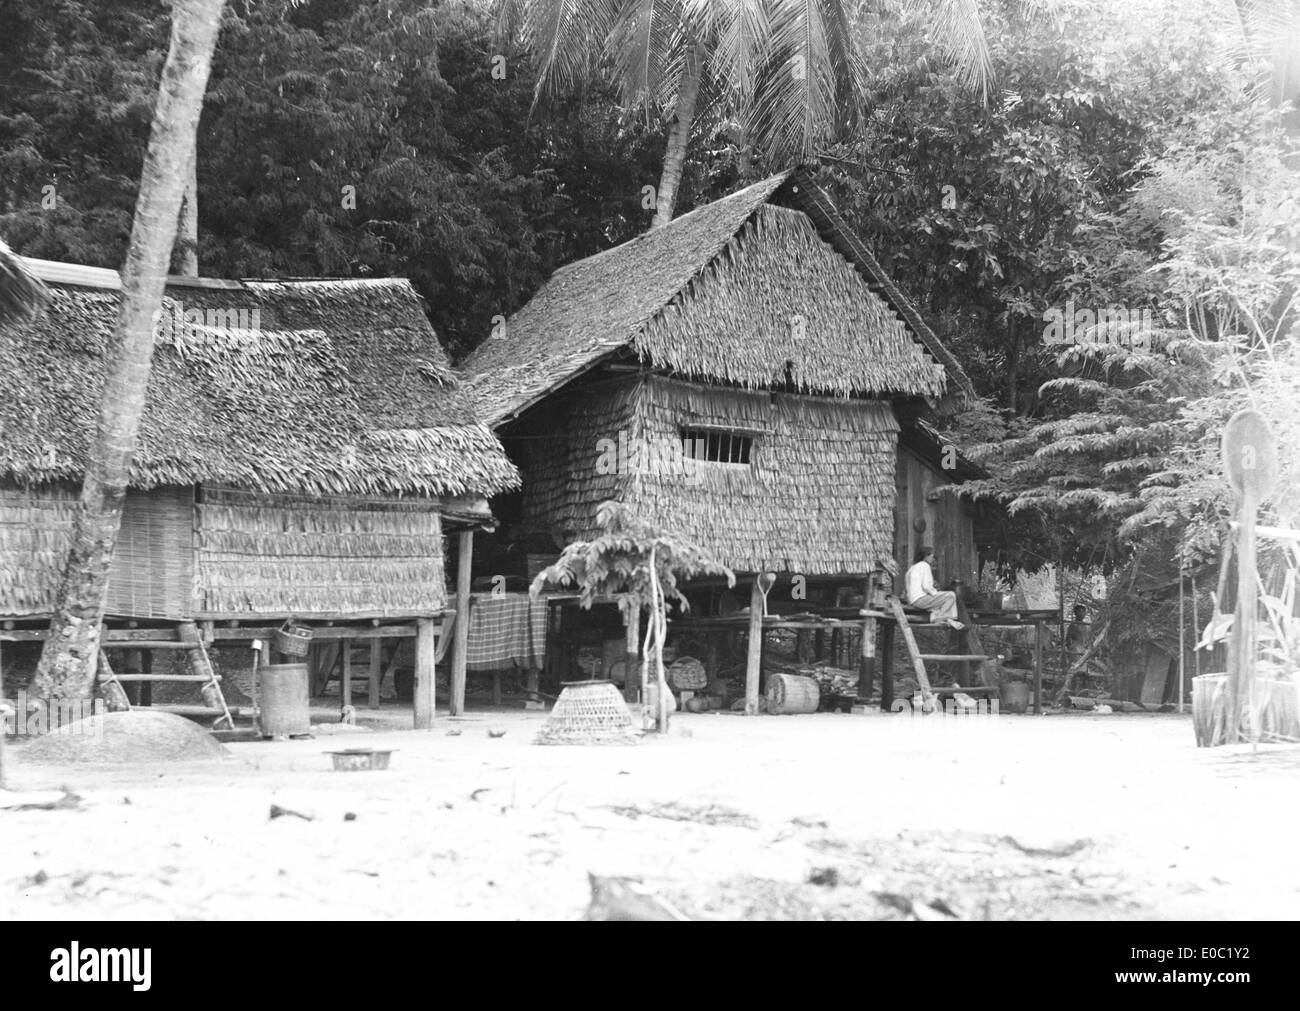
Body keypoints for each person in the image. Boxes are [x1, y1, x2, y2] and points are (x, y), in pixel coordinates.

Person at [903, 546, 964, 630]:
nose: (932, 558)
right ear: (926, 556)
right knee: (951, 595)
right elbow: (926, 586)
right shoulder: (925, 565)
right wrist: (936, 593)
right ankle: (939, 618)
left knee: (943, 602)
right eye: (932, 556)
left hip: (912, 600)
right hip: (920, 600)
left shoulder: (911, 568)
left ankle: (946, 618)